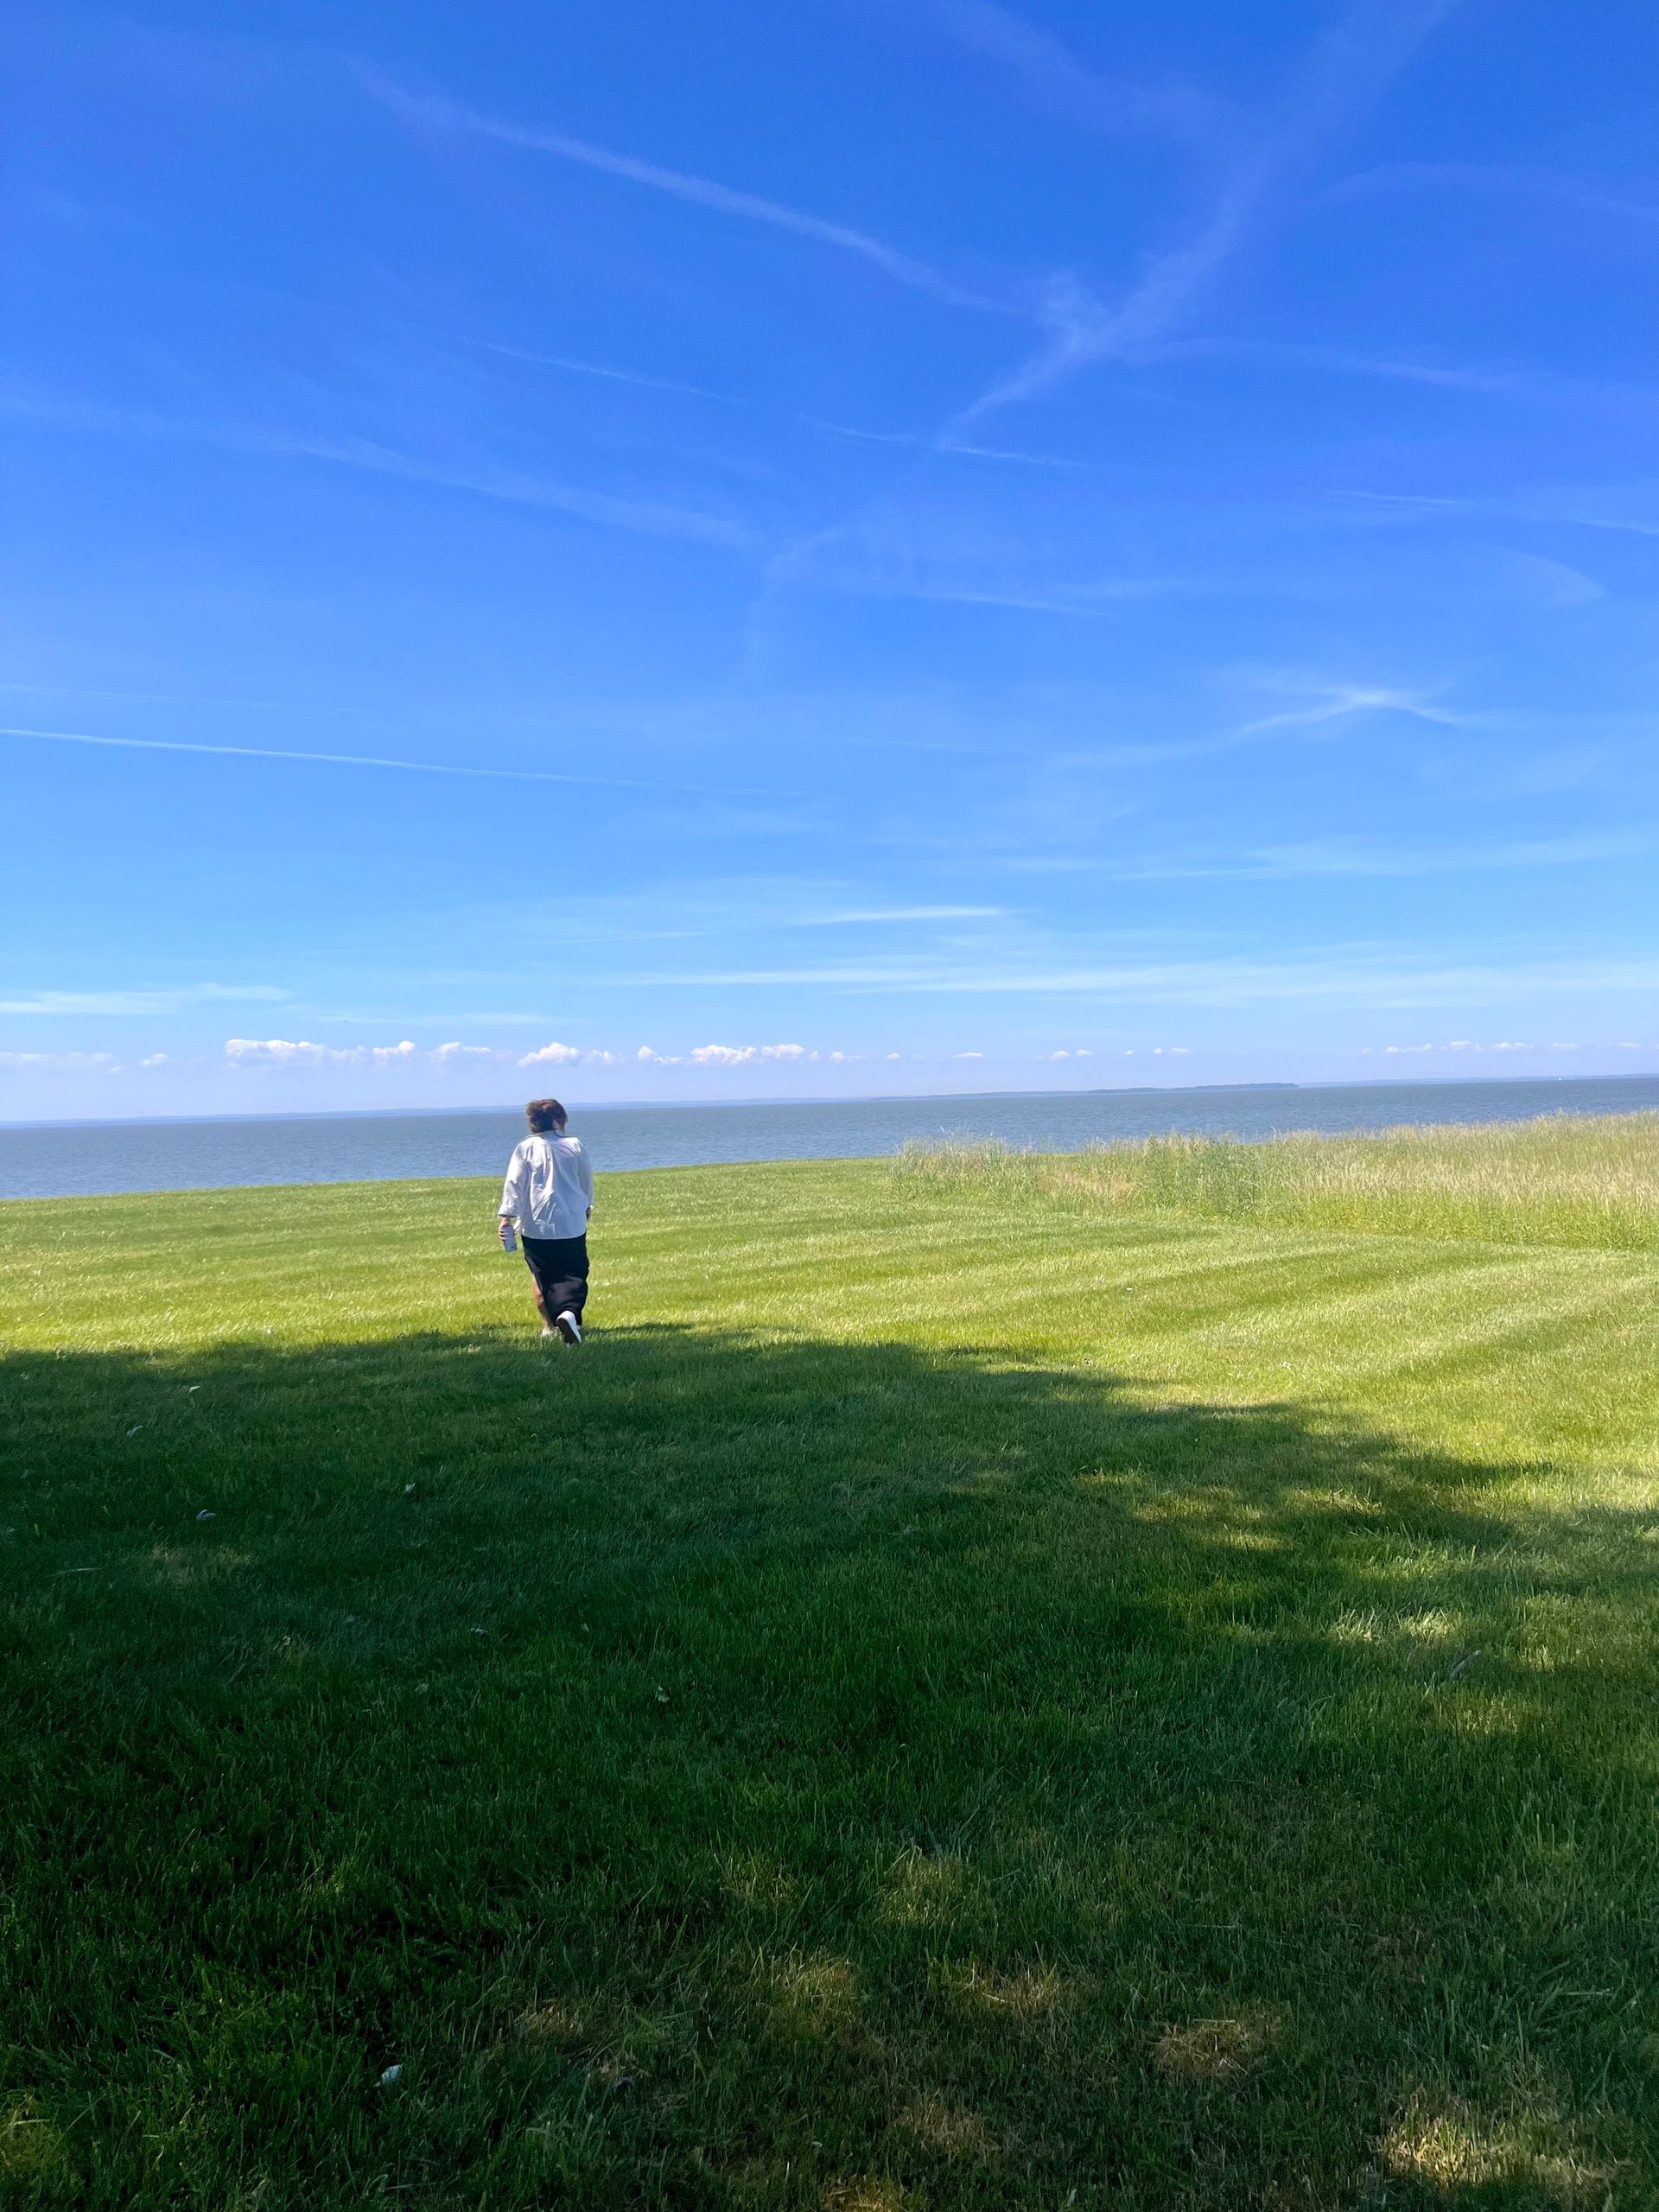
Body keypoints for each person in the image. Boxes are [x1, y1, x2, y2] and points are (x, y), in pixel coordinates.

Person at [498, 1098, 594, 1343]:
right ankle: (568, 1313)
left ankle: (547, 1326)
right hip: (571, 1223)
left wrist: (507, 1216)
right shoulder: (573, 1145)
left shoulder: (524, 1148)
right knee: (574, 1273)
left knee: (541, 1274)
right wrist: (587, 1205)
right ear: (557, 1120)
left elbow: (514, 1184)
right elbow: (586, 1181)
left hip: (535, 1226)